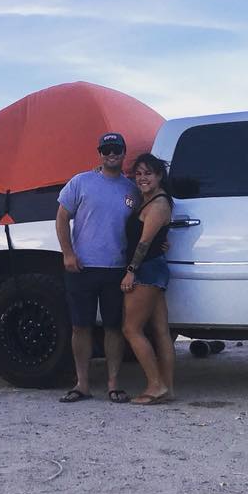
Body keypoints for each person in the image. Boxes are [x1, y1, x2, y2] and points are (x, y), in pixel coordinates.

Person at [55, 132, 139, 403]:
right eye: (106, 149)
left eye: (116, 148)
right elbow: (61, 218)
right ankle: (82, 384)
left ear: (124, 152)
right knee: (80, 327)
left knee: (114, 327)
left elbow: (143, 224)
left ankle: (113, 384)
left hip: (116, 269)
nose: (111, 153)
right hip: (82, 268)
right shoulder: (80, 182)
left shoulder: (132, 190)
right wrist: (68, 254)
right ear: (99, 153)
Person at [120, 153, 174, 404]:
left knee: (131, 329)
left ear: (159, 175)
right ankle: (167, 388)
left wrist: (131, 271)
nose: (142, 178)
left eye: (148, 173)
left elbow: (144, 243)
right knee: (161, 331)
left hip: (146, 270)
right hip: (155, 267)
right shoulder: (152, 200)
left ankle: (155, 385)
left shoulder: (158, 204)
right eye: (138, 174)